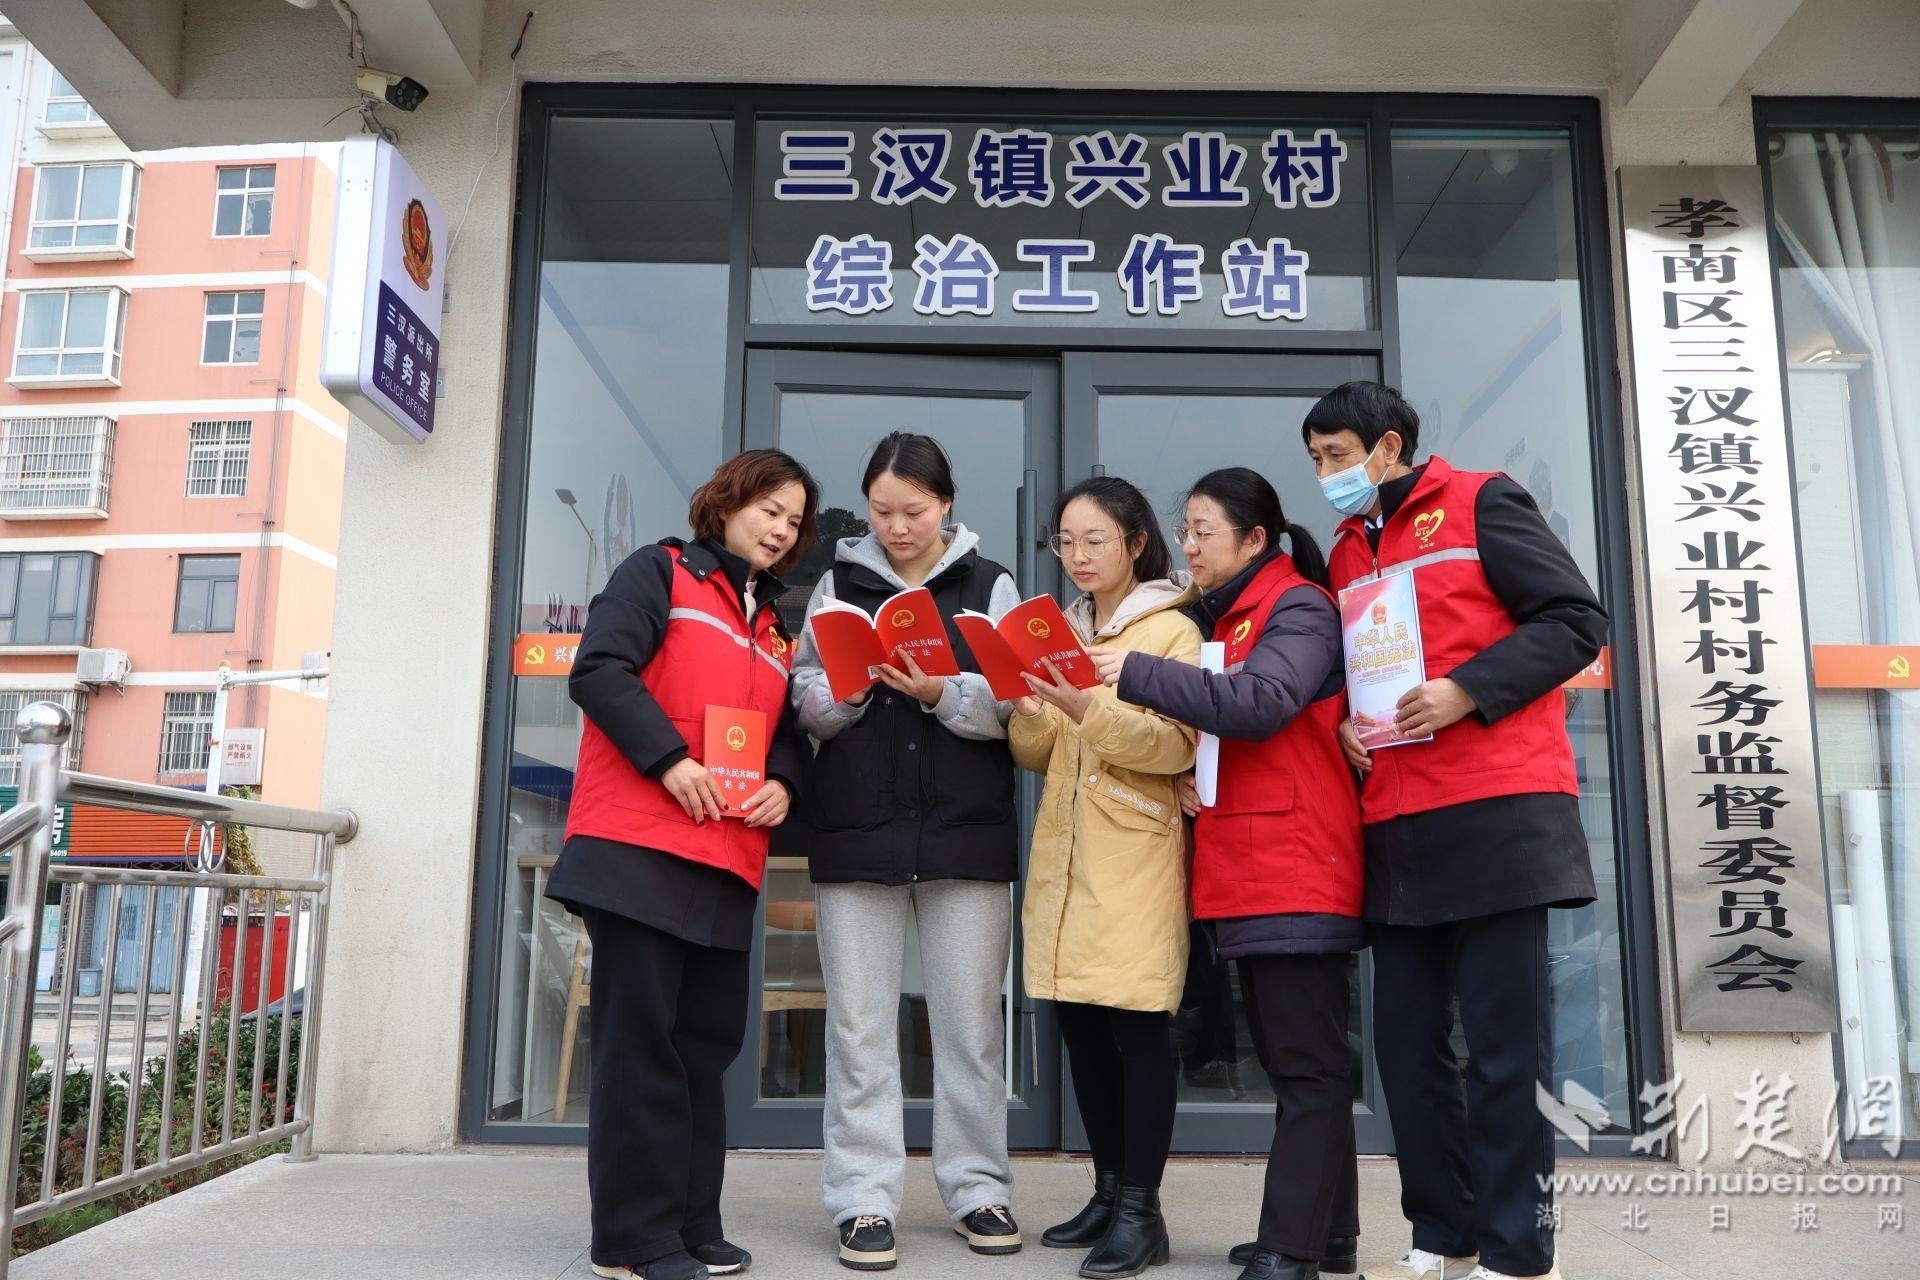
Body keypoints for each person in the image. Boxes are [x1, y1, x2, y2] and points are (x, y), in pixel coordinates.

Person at [1304, 382, 1607, 1280]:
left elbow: (1577, 621)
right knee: (1405, 1045)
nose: (1326, 474)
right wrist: (1345, 726)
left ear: (1388, 447)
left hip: (1498, 809)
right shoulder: (1346, 547)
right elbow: (1352, 673)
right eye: (1315, 459)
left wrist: (1467, 690)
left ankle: (1520, 1252)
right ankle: (1445, 1230)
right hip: (1397, 818)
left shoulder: (1483, 501)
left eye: (1336, 455)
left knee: (1506, 1049)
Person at [548, 449, 821, 1280]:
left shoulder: (773, 628)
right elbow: (599, 671)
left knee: (704, 1050)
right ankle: (632, 1240)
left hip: (726, 859)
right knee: (641, 1050)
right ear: (727, 502)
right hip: (638, 849)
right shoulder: (658, 572)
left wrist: (784, 783)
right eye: (770, 509)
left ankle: (692, 1223)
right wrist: (668, 759)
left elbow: (783, 733)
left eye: (794, 521)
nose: (782, 529)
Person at [1087, 467, 1365, 1280]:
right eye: (1186, 530)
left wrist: (1134, 672)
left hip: (1296, 864)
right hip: (1250, 865)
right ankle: (1328, 1235)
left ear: (1256, 539)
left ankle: (1290, 1249)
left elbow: (1264, 702)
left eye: (1203, 531)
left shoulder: (1299, 607)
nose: (1190, 546)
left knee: (1306, 1066)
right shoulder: (1227, 618)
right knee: (1294, 1060)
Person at [788, 432, 1025, 1271]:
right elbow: (803, 699)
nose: (896, 526)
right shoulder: (837, 584)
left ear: (946, 504)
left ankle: (977, 1189)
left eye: (914, 511)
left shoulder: (989, 584)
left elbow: (1018, 704)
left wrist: (942, 691)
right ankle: (862, 1200)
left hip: (966, 834)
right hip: (857, 831)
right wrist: (843, 695)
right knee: (859, 1031)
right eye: (882, 510)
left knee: (970, 1029)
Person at [1013, 476, 1202, 1280]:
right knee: (1081, 1025)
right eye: (1067, 542)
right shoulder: (1062, 629)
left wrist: (1088, 706)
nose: (1079, 556)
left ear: (1136, 543)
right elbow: (1039, 754)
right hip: (1067, 852)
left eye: (1096, 540)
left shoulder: (1171, 631)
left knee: (1136, 1027)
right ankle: (1108, 1189)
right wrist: (1029, 712)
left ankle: (1142, 1213)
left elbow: (1178, 745)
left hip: (1135, 854)